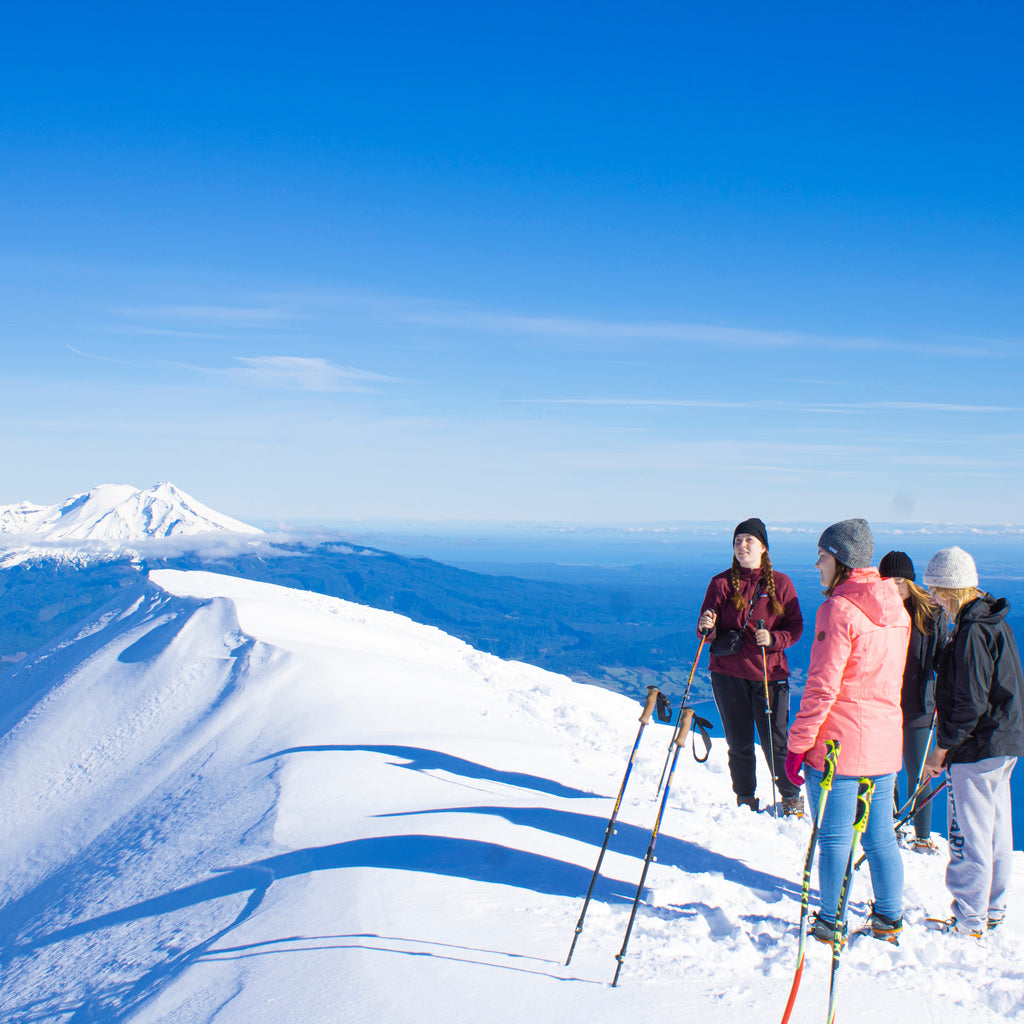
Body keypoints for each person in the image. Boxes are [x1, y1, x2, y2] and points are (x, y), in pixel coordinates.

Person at [786, 519, 910, 942]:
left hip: (839, 747)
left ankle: (830, 921)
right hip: (882, 742)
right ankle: (889, 918)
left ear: (839, 560)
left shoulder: (837, 609)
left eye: (822, 556)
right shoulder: (895, 606)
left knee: (836, 838)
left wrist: (798, 744)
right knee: (878, 836)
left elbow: (822, 687)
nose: (817, 564)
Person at [919, 546, 1024, 937]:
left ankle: (969, 920)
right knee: (996, 830)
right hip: (1003, 741)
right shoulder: (994, 622)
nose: (932, 598)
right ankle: (991, 910)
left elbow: (970, 701)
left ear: (952, 590)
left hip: (976, 747)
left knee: (969, 832)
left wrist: (942, 749)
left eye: (935, 591)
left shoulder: (971, 632)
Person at [697, 517, 804, 816]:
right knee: (739, 742)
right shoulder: (720, 583)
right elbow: (706, 629)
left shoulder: (781, 584)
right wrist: (706, 626)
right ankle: (745, 799)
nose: (742, 545)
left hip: (768, 675)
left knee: (776, 742)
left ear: (763, 548)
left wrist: (772, 639)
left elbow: (796, 627)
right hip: (727, 674)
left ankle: (790, 795)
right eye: (737, 541)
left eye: (749, 540)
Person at [878, 550, 940, 852]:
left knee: (919, 772)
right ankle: (887, 824)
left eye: (900, 582)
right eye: (887, 582)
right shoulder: (875, 613)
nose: (894, 588)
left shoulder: (929, 615)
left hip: (919, 705)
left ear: (911, 583)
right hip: (883, 703)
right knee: (884, 768)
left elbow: (944, 658)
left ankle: (922, 835)